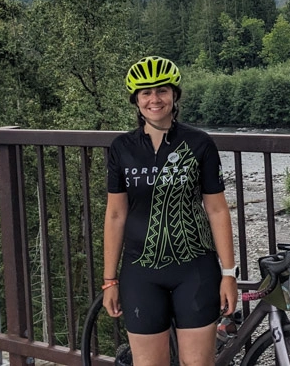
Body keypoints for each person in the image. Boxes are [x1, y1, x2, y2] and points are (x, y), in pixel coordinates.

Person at [103, 56, 238, 366]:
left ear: (175, 96)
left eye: (162, 90)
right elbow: (115, 215)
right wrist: (109, 280)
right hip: (140, 272)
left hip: (195, 271)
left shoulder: (200, 143)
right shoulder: (121, 148)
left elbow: (217, 210)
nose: (155, 99)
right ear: (135, 100)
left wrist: (229, 274)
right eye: (146, 92)